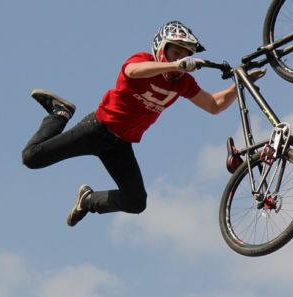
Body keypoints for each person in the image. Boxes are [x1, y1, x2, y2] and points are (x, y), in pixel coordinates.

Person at [22, 20, 263, 227]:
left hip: (120, 145)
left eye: (185, 55)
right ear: (162, 49)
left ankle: (87, 201)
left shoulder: (183, 83)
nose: (181, 59)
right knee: (32, 157)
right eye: (176, 52)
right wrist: (174, 65)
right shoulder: (143, 60)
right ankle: (59, 112)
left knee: (136, 202)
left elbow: (214, 105)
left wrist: (239, 85)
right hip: (96, 129)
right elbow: (133, 71)